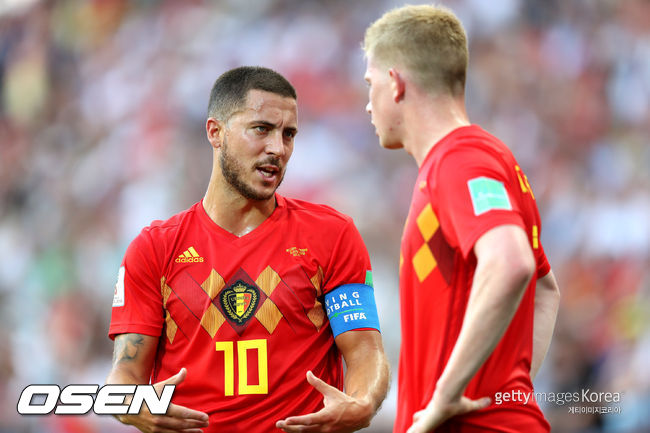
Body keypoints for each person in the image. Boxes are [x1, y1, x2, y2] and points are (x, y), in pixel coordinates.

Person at [106, 66, 390, 433]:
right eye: (262, 129)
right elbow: (125, 372)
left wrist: (363, 403)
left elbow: (365, 350)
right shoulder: (154, 249)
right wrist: (130, 405)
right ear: (216, 132)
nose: (278, 148)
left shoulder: (332, 235)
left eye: (289, 134)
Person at [362, 5, 560, 433]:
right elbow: (544, 290)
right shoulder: (489, 159)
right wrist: (508, 394)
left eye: (370, 84)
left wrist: (446, 396)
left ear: (395, 84)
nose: (367, 104)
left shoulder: (458, 160)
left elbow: (511, 264)